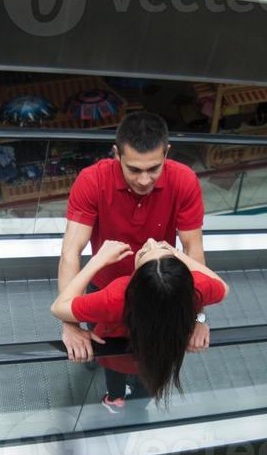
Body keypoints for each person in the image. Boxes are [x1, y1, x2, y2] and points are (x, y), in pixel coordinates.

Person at [58, 112, 206, 407]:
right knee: (105, 353)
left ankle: (138, 398)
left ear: (167, 153)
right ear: (116, 154)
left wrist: (197, 317)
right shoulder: (92, 180)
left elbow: (193, 249)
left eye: (154, 168)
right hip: (104, 287)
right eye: (134, 169)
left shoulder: (184, 180)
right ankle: (111, 388)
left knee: (150, 353)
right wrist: (70, 324)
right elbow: (70, 252)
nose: (144, 179)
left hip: (157, 288)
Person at [51, 238, 228, 408]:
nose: (150, 240)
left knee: (115, 376)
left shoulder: (118, 296)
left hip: (115, 354)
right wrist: (174, 252)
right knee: (148, 379)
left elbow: (59, 307)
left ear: (137, 280)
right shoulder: (195, 288)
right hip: (160, 356)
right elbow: (223, 286)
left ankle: (114, 399)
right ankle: (137, 405)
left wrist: (97, 260)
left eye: (144, 253)